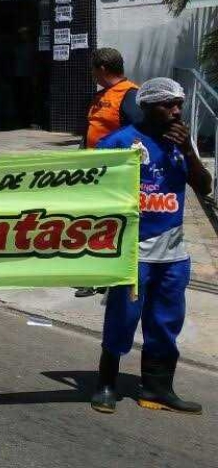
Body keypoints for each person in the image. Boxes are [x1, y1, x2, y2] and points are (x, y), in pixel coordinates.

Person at [90, 78, 212, 415]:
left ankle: (157, 387)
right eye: (167, 104)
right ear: (146, 106)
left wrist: (189, 150)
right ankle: (106, 383)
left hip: (173, 253)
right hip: (133, 251)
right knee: (122, 316)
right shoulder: (119, 142)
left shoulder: (180, 143)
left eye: (179, 105)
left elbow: (205, 186)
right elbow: (93, 190)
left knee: (166, 319)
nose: (175, 111)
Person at [76, 48, 143, 298]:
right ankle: (94, 276)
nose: (92, 74)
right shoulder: (101, 96)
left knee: (110, 227)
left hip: (114, 176)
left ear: (102, 69)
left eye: (93, 69)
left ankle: (108, 277)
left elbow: (138, 135)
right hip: (94, 173)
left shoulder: (130, 96)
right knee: (91, 223)